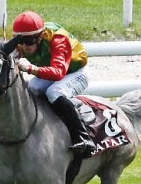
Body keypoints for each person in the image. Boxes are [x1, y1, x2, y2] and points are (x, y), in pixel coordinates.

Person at [10, 10, 97, 156]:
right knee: (31, 88)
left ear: (40, 37)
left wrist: (30, 68)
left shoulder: (58, 39)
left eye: (29, 41)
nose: (24, 46)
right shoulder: (24, 42)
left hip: (75, 73)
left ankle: (83, 137)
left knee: (54, 92)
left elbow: (58, 73)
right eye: (20, 41)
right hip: (52, 71)